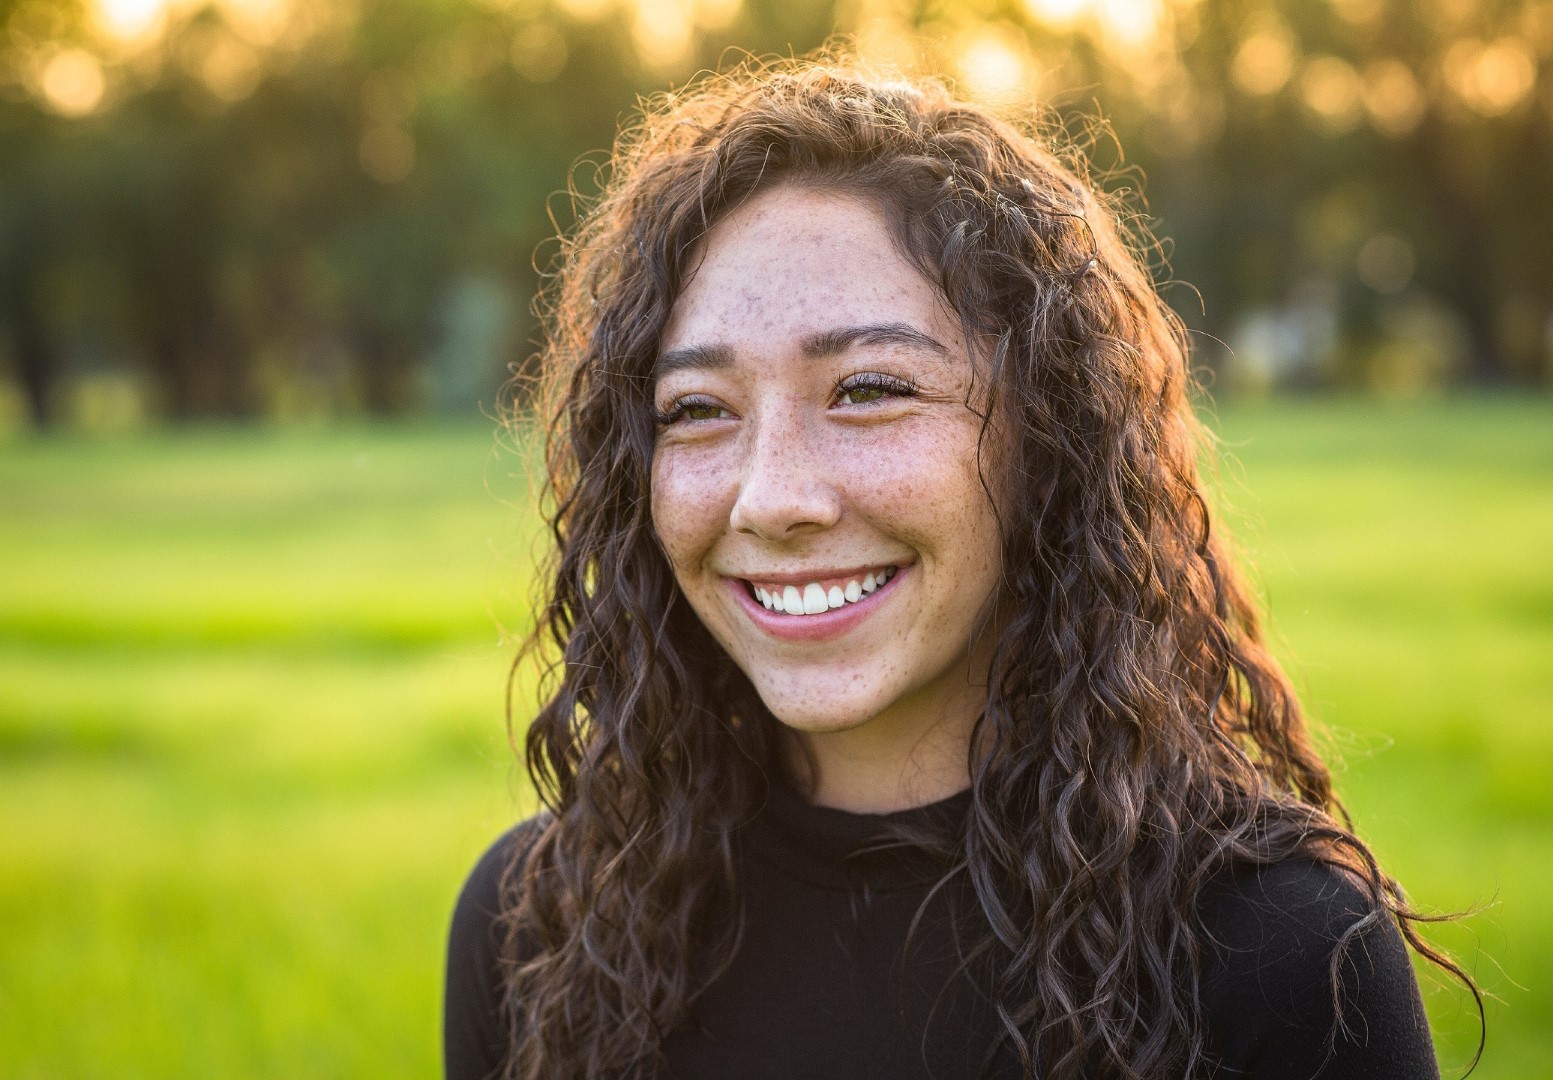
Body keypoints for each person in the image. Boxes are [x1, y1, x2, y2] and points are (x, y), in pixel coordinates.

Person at [444, 58, 1479, 1080]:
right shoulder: (536, 925)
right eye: (699, 409)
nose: (770, 497)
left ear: (1048, 438)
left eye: (868, 389)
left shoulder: (1278, 958)